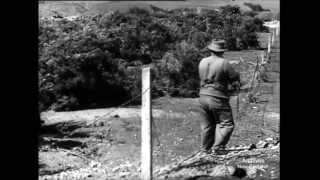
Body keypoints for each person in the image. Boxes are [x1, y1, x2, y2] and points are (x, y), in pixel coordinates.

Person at [197, 39, 241, 155]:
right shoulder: (224, 63)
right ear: (222, 51)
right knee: (227, 124)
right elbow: (234, 77)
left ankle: (205, 150)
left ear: (211, 50)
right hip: (217, 97)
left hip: (202, 96)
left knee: (207, 125)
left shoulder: (202, 61)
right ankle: (218, 147)